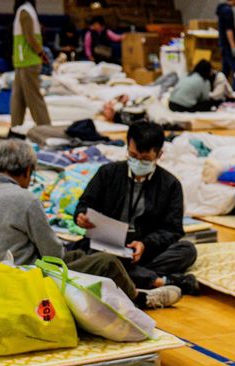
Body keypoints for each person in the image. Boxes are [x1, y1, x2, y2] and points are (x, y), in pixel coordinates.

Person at [0, 140, 182, 310]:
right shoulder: (27, 200)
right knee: (105, 262)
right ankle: (140, 299)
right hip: (27, 277)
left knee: (85, 252)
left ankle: (144, 282)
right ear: (28, 171)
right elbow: (53, 254)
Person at [73, 122, 200, 295]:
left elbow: (173, 229)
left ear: (159, 154)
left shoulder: (170, 185)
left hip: (143, 248)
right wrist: (81, 216)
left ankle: (123, 275)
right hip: (107, 245)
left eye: (145, 159)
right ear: (127, 149)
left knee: (187, 250)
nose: (138, 162)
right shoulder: (108, 173)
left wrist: (145, 244)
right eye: (133, 155)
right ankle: (158, 280)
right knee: (89, 255)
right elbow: (84, 204)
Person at [10, 0, 50, 128]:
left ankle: (46, 130)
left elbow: (30, 38)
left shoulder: (24, 11)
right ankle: (15, 130)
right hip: (23, 61)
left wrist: (41, 53)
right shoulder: (26, 10)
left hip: (28, 61)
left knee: (34, 99)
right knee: (17, 100)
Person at [216, 0, 235, 77]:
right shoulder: (228, 11)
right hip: (228, 45)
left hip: (223, 44)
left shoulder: (222, 9)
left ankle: (222, 89)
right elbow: (229, 29)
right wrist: (233, 46)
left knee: (225, 71)